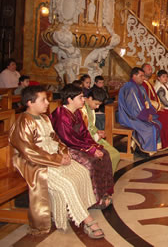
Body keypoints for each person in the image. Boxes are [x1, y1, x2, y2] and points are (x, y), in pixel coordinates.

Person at [9, 85, 105, 238]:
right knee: (67, 183)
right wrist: (57, 159)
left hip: (53, 157)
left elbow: (56, 139)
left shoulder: (45, 118)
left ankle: (73, 210)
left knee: (81, 171)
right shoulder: (24, 122)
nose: (47, 103)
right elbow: (29, 151)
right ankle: (87, 220)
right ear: (29, 102)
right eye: (43, 100)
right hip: (35, 163)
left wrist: (64, 153)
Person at [51, 84, 114, 208]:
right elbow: (68, 139)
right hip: (64, 148)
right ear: (70, 99)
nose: (83, 100)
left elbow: (84, 133)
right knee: (89, 163)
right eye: (80, 97)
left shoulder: (77, 112)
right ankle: (92, 199)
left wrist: (94, 146)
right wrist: (90, 150)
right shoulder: (61, 114)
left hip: (78, 145)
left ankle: (102, 193)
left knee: (104, 154)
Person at [118, 67, 162, 153]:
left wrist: (151, 113)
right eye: (141, 76)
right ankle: (146, 150)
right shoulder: (130, 88)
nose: (143, 78)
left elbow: (147, 102)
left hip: (137, 114)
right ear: (134, 76)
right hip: (129, 117)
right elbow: (135, 107)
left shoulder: (139, 87)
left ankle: (138, 145)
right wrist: (146, 116)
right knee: (150, 128)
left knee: (158, 123)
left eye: (143, 76)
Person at [81, 87, 120, 173]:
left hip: (93, 137)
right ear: (90, 98)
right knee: (111, 155)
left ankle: (106, 178)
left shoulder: (89, 107)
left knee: (115, 154)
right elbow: (82, 130)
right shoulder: (82, 109)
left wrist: (97, 131)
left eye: (99, 105)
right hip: (86, 141)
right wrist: (95, 136)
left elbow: (91, 125)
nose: (97, 107)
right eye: (96, 104)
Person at [141, 63, 168, 143]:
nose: (151, 71)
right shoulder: (143, 84)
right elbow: (146, 100)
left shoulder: (148, 83)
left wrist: (159, 106)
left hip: (155, 108)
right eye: (149, 69)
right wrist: (158, 107)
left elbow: (155, 98)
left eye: (151, 69)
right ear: (143, 71)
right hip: (150, 110)